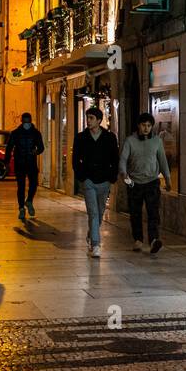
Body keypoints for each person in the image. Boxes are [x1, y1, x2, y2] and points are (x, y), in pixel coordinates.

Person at [118, 111, 171, 254]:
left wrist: (167, 178)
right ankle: (138, 240)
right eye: (143, 125)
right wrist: (124, 174)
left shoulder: (157, 141)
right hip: (134, 183)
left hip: (152, 182)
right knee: (135, 213)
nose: (146, 128)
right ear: (138, 126)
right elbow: (123, 159)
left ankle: (154, 240)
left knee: (153, 212)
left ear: (152, 126)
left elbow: (163, 161)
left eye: (149, 125)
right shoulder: (130, 141)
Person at [72, 107, 119, 258]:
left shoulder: (109, 137)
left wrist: (112, 177)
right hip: (88, 180)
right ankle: (96, 244)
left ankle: (91, 234)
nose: (89, 121)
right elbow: (75, 159)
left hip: (104, 180)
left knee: (99, 212)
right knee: (93, 213)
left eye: (91, 118)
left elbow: (115, 158)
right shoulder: (81, 137)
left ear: (99, 120)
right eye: (88, 118)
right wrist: (81, 176)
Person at [6, 112, 45, 221]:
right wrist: (7, 162)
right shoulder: (15, 133)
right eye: (25, 121)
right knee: (21, 187)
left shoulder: (36, 133)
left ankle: (29, 201)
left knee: (33, 184)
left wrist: (36, 151)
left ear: (31, 121)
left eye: (28, 121)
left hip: (31, 163)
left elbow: (41, 147)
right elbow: (9, 148)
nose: (27, 123)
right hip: (20, 164)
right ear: (22, 121)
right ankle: (21, 208)